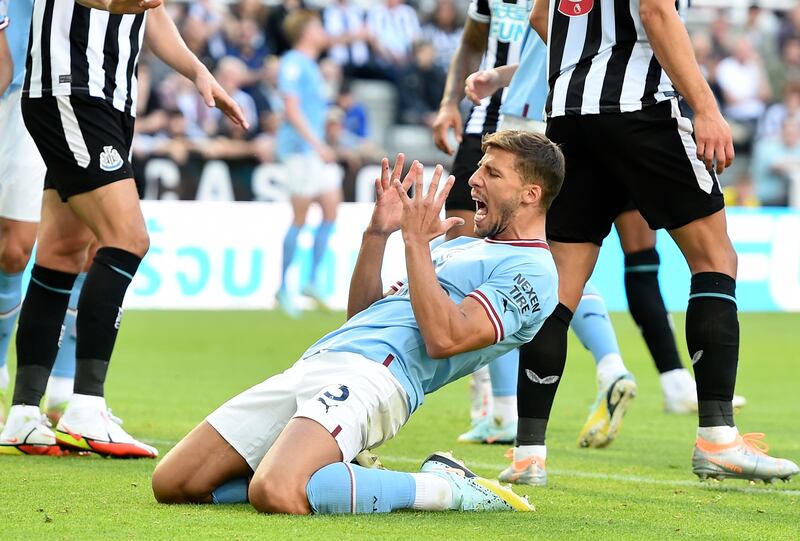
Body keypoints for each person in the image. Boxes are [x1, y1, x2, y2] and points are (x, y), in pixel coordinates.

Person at [151, 132, 563, 514]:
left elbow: (445, 338)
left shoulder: (534, 271)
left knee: (276, 490)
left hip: (382, 377)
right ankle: (336, 470)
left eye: (492, 172)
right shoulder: (462, 249)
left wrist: (416, 243)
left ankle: (445, 487)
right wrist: (377, 234)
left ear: (531, 193)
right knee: (174, 482)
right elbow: (362, 317)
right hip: (322, 359)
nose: (474, 178)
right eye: (479, 167)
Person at [517, 0, 798, 482]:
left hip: (568, 116)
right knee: (715, 256)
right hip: (640, 109)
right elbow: (655, 10)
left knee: (561, 286)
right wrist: (707, 109)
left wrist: (589, 67)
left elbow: (542, 18)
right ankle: (717, 438)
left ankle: (528, 456)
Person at [0, 0, 247, 458]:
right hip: (72, 88)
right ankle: (86, 405)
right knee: (128, 239)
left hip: (107, 97)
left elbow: (149, 14)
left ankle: (22, 415)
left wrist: (198, 72)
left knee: (64, 251)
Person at [274, 10, 341, 316]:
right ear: (305, 31)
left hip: (314, 150)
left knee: (330, 206)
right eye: (317, 26)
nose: (322, 31)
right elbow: (291, 108)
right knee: (300, 216)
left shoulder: (311, 66)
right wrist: (317, 144)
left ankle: (311, 281)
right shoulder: (292, 63)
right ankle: (283, 287)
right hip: (300, 151)